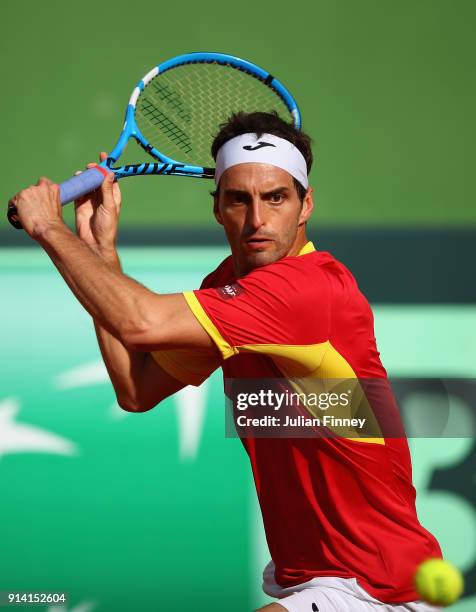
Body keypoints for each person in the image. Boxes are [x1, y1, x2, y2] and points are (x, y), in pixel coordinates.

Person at [9, 112, 442, 611]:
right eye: (239, 199)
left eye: (276, 197)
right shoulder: (231, 289)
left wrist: (46, 226)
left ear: (306, 205)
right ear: (217, 208)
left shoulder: (309, 290)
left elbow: (140, 323)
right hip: (312, 580)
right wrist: (99, 252)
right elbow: (137, 388)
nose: (258, 219)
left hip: (375, 587)